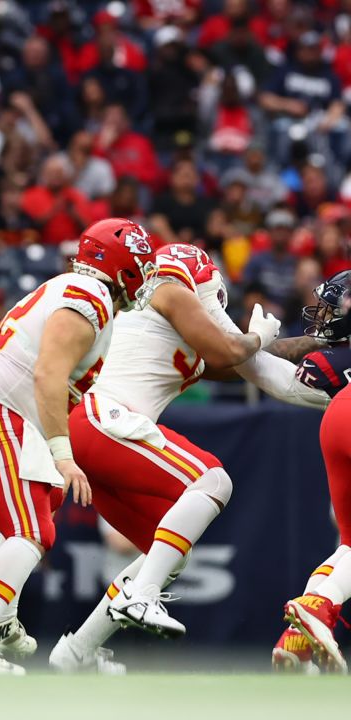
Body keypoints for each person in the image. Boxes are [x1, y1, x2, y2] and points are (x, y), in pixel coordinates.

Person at [53, 244, 309, 673]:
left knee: (169, 551)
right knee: (213, 481)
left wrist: (314, 343)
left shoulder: (173, 324)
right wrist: (257, 335)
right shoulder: (169, 291)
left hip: (96, 431)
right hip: (104, 419)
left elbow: (253, 362)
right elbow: (234, 351)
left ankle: (77, 650)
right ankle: (142, 595)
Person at [0, 218, 157, 674]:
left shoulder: (78, 291)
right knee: (30, 531)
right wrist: (63, 453)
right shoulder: (90, 296)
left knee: (44, 510)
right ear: (122, 267)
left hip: (2, 410)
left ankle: (0, 620)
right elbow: (47, 376)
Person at [271, 271, 351, 673]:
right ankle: (318, 608)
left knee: (348, 546)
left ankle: (297, 639)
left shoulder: (330, 360)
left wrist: (249, 348)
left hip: (336, 417)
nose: (323, 314)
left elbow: (280, 383)